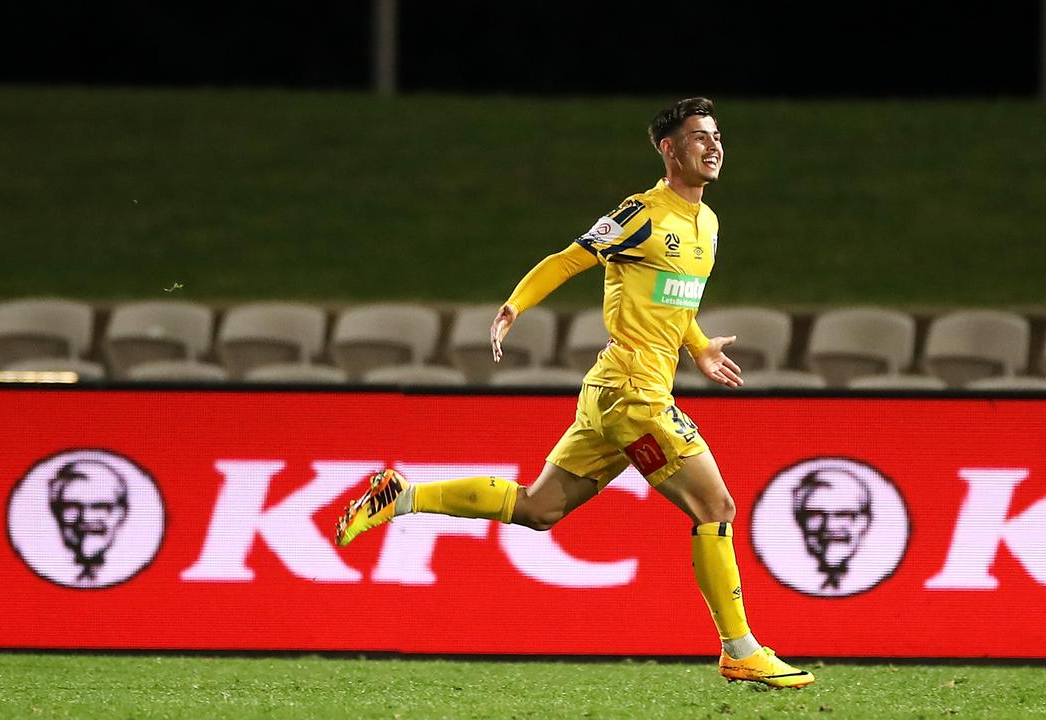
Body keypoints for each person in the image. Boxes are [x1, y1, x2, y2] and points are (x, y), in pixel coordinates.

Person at [336, 97, 813, 689]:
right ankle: (739, 649)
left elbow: (674, 298)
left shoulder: (708, 224)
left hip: (612, 393)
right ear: (669, 149)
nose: (713, 146)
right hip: (634, 394)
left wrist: (697, 346)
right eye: (698, 137)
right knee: (715, 508)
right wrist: (514, 305)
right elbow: (568, 260)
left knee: (541, 509)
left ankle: (403, 496)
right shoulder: (641, 214)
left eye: (717, 136)